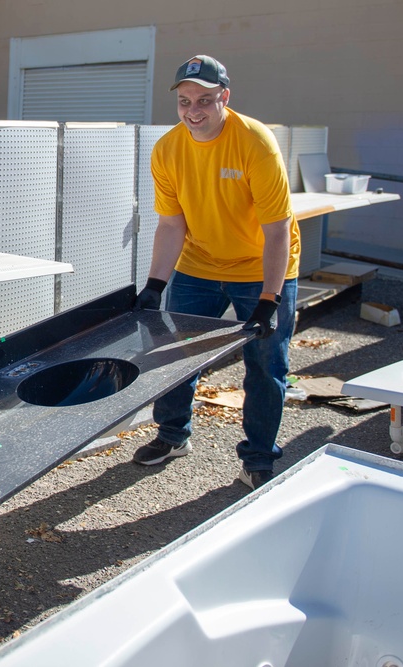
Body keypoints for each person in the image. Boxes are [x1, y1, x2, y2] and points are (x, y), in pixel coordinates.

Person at [132, 55, 300, 490]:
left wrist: (269, 299)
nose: (194, 111)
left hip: (261, 267)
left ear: (224, 97)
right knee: (174, 354)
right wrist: (155, 285)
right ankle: (173, 436)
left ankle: (260, 457)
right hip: (199, 265)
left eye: (205, 100)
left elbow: (278, 230)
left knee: (266, 364)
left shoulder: (255, 143)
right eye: (185, 101)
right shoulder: (168, 149)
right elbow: (171, 224)